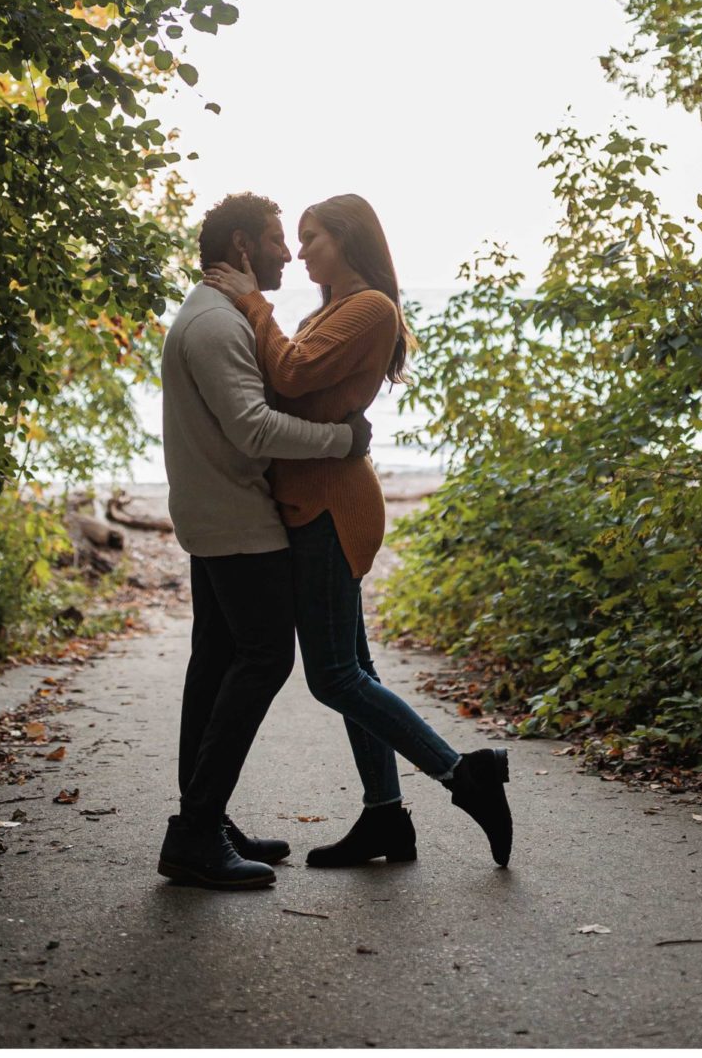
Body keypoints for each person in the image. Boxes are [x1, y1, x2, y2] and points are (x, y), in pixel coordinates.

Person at [203, 192, 513, 869]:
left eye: (312, 237)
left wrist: (253, 303)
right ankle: (384, 819)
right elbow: (285, 386)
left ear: (347, 239)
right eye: (299, 238)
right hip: (317, 502)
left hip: (330, 509)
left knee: (333, 676)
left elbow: (290, 372)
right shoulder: (333, 311)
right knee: (355, 668)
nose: (301, 249)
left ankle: (466, 775)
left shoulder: (370, 307)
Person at [157, 191, 374, 891]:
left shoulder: (210, 313)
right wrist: (341, 440)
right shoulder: (217, 323)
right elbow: (254, 429)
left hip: (215, 515)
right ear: (245, 247)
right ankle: (194, 833)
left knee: (217, 663)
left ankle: (205, 817)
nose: (289, 253)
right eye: (280, 240)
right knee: (262, 661)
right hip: (237, 523)